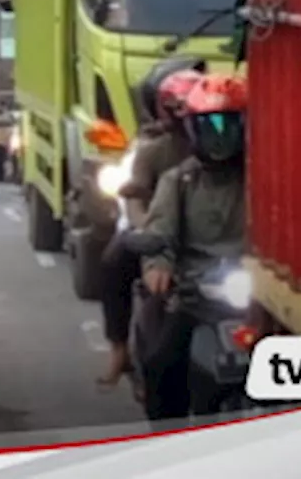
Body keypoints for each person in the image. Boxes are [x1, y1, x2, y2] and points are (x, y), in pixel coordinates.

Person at [136, 73, 248, 422]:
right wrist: (158, 264)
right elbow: (159, 231)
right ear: (191, 129)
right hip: (197, 296)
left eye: (229, 125)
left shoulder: (266, 176)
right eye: (209, 126)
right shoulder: (179, 181)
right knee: (161, 365)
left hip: (259, 298)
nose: (219, 136)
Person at [96, 61, 205, 390]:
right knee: (114, 260)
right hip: (162, 234)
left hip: (212, 236)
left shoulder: (230, 141)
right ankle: (119, 348)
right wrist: (150, 229)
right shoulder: (153, 152)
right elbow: (135, 196)